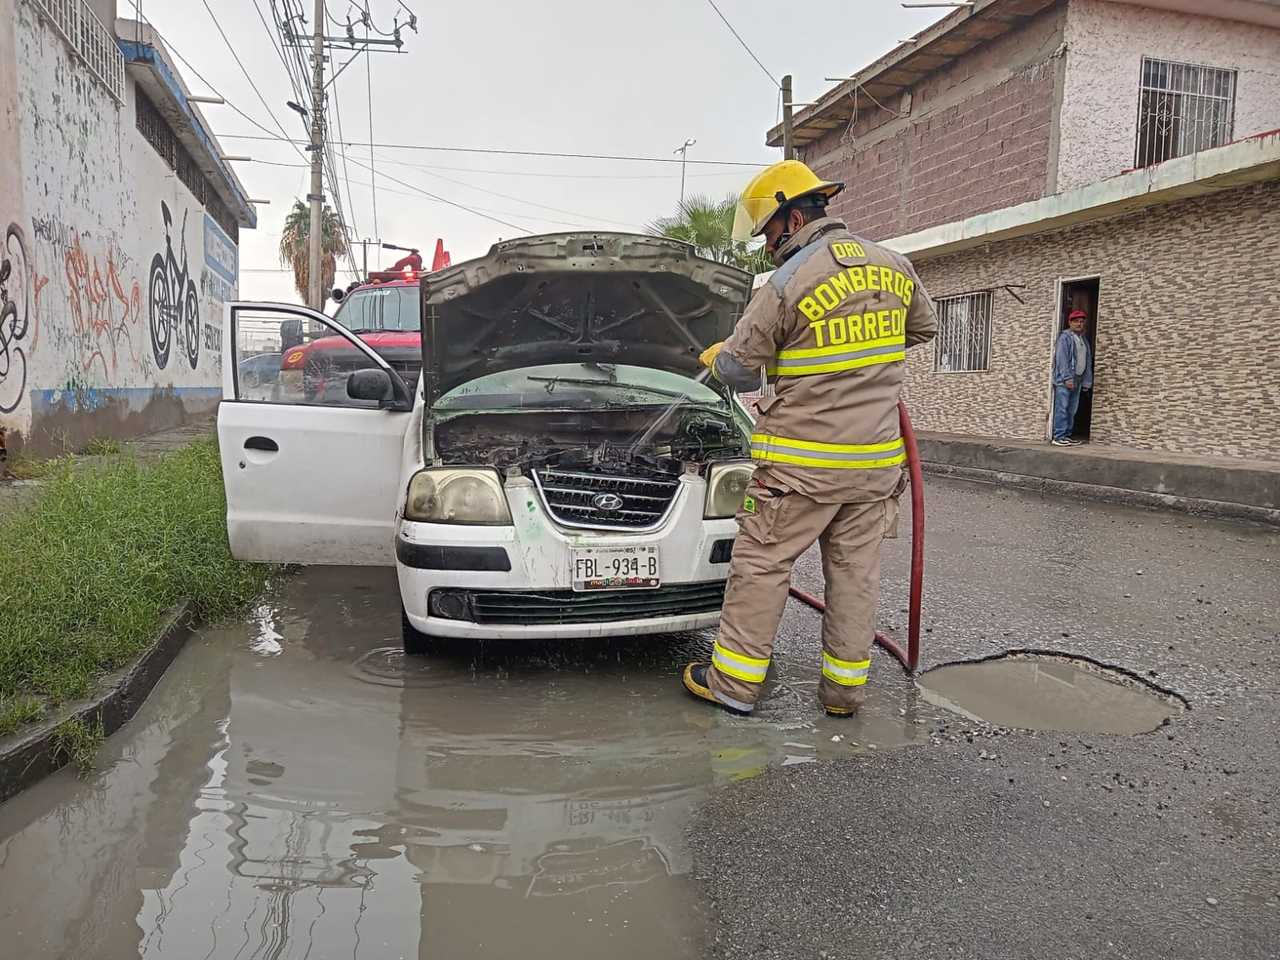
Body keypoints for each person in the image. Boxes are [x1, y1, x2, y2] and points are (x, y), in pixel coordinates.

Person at [681, 159, 937, 718]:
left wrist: (720, 357)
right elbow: (922, 328)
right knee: (853, 575)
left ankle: (734, 684)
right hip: (874, 467)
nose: (768, 246)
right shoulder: (894, 266)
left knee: (762, 564)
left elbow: (739, 371)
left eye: (769, 232)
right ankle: (844, 693)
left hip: (800, 468)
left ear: (793, 217)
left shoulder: (788, 282)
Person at [1051, 309, 1093, 446]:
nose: (1079, 324)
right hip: (1065, 380)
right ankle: (1058, 436)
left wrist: (1087, 381)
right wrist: (1067, 378)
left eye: (1082, 322)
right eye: (1076, 322)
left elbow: (1087, 361)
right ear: (1070, 322)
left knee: (1072, 409)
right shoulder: (1065, 337)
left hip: (1078, 379)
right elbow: (1061, 359)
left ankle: (1066, 435)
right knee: (1062, 408)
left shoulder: (1083, 340)